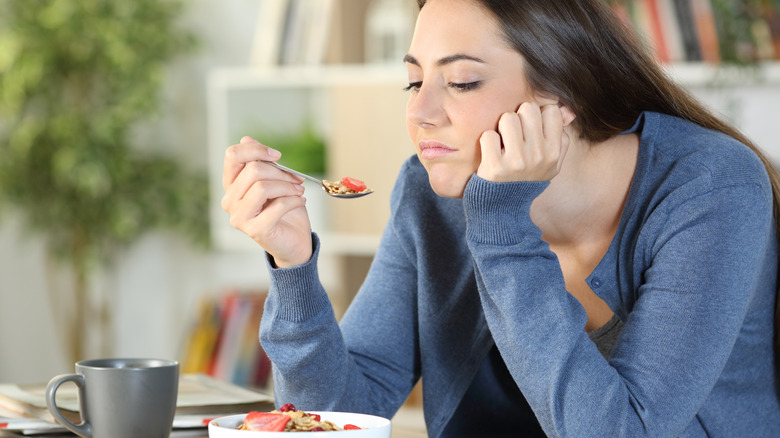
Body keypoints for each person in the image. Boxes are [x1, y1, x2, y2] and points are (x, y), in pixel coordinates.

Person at [221, 0, 780, 436]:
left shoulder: (711, 187)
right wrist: (292, 270)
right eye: (414, 81)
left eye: (461, 82)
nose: (418, 112)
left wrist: (503, 226)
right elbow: (338, 415)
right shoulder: (428, 190)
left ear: (564, 92)